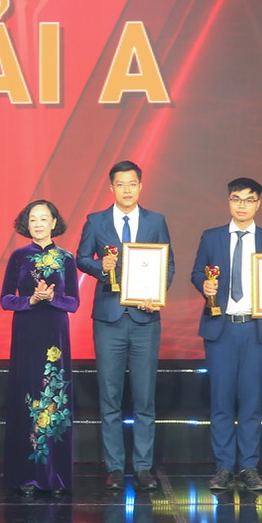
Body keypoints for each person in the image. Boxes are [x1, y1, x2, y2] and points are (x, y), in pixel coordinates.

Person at [76, 160, 174, 491]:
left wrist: (156, 295)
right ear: (111, 188)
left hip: (146, 318)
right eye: (121, 184)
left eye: (132, 184)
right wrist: (100, 266)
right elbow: (80, 258)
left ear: (141, 186)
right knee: (111, 395)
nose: (127, 190)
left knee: (145, 397)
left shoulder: (156, 221)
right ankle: (115, 467)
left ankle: (144, 466)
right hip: (109, 319)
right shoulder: (96, 221)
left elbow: (168, 264)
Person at [192, 177, 262, 494]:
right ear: (229, 202)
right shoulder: (212, 237)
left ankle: (249, 467)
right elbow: (196, 272)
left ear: (258, 204)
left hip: (255, 328)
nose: (242, 205)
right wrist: (204, 287)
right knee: (221, 401)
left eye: (249, 199)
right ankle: (223, 467)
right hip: (222, 327)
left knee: (251, 402)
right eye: (236, 198)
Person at [0, 200, 80, 495]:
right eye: (33, 219)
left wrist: (51, 298)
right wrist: (31, 301)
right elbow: (6, 299)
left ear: (54, 223)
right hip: (26, 331)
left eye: (44, 218)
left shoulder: (66, 258)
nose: (38, 223)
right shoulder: (18, 257)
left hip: (55, 333)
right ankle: (27, 475)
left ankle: (54, 476)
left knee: (54, 398)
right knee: (27, 395)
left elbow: (73, 302)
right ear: (26, 224)